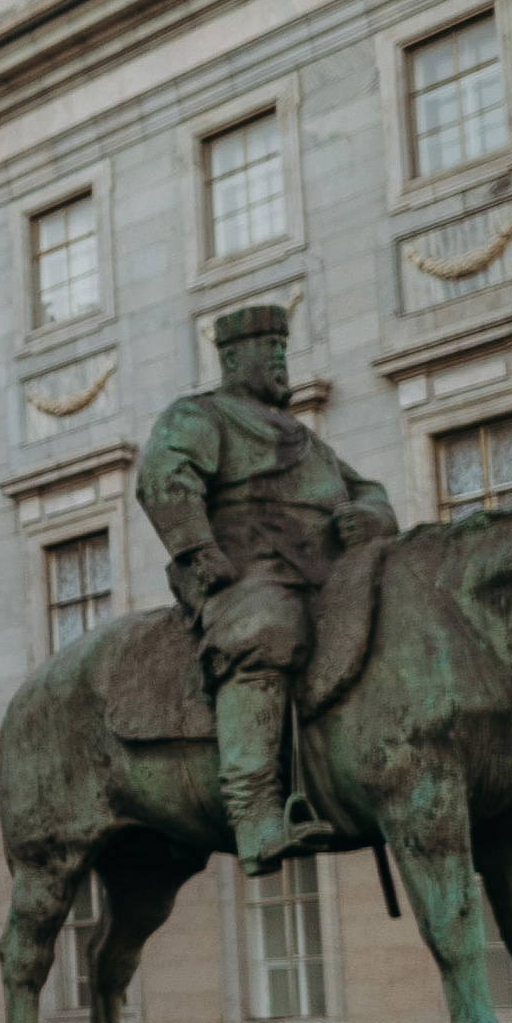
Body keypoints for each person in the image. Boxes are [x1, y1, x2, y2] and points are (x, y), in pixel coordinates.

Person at [134, 299, 399, 874]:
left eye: (284, 348)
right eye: (270, 350)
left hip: (329, 576)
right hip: (251, 572)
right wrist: (197, 548)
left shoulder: (305, 438)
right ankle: (254, 812)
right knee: (265, 630)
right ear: (234, 359)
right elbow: (163, 475)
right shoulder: (201, 415)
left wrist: (372, 516)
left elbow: (366, 487)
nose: (282, 360)